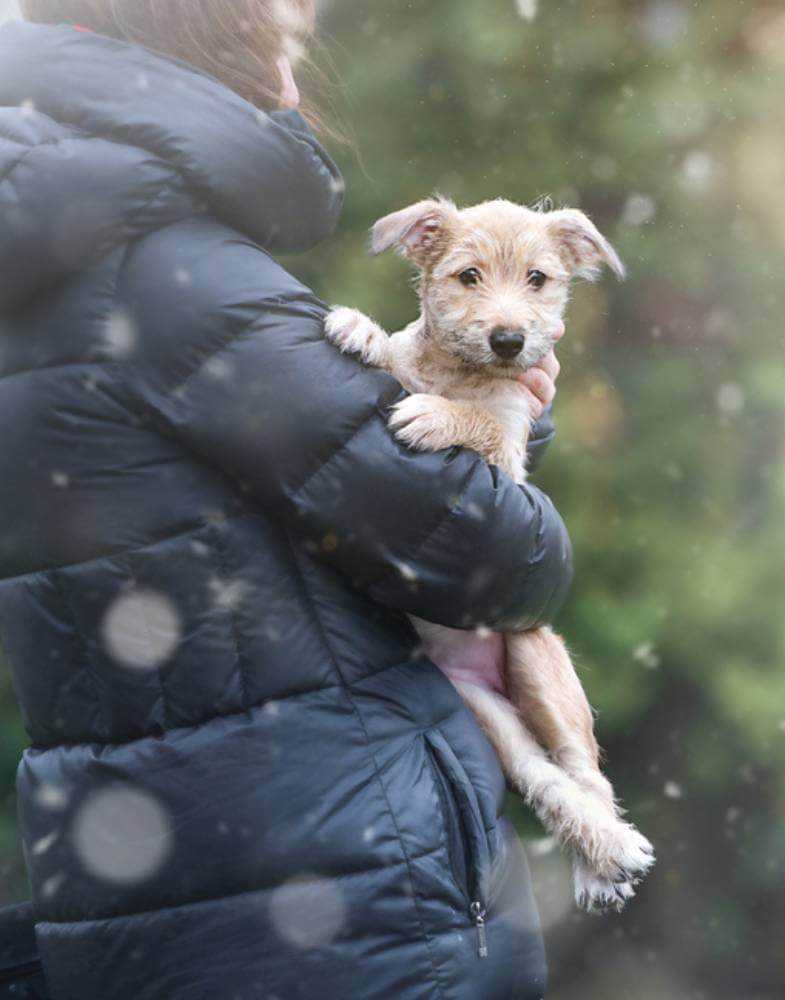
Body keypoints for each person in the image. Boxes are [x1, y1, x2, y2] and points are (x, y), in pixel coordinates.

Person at [0, 3, 570, 996]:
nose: (299, 81)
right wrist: (508, 407)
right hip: (329, 905)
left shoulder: (42, 275)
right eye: (288, 39)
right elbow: (491, 555)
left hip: (140, 892)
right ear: (215, 47)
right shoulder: (176, 284)